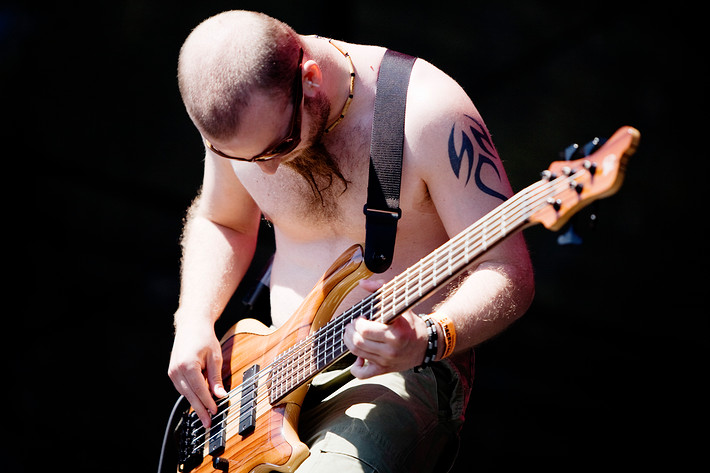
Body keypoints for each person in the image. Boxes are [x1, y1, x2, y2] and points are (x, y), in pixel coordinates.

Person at [168, 10, 535, 472]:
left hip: (401, 369)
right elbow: (222, 220)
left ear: (311, 79)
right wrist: (193, 319)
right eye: (244, 157)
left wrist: (428, 336)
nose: (265, 170)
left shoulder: (428, 113)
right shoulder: (249, 120)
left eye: (278, 147)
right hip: (266, 380)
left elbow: (508, 270)